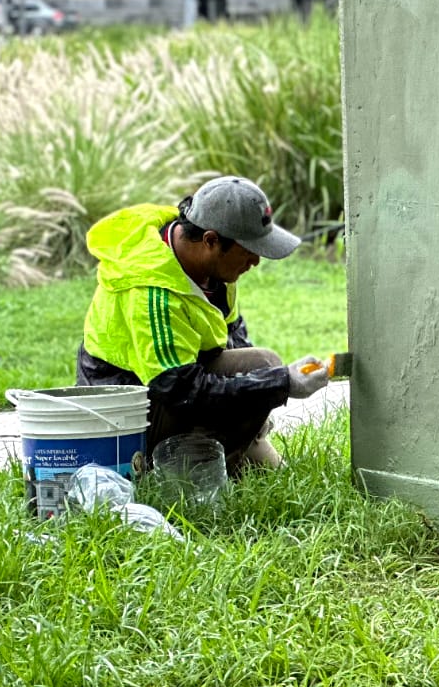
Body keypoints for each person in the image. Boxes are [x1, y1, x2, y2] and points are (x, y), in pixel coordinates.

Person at [77, 176, 331, 474]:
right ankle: (180, 474)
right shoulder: (152, 293)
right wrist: (280, 383)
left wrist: (257, 404)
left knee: (262, 369)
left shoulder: (216, 269)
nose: (256, 261)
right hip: (126, 416)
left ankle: (226, 455)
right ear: (211, 240)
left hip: (174, 385)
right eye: (249, 250)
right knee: (267, 367)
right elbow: (181, 392)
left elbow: (232, 338)